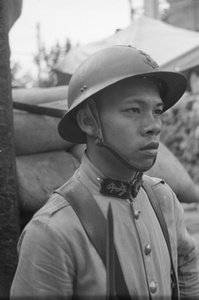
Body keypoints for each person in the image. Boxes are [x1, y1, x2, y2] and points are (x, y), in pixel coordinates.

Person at [10, 45, 199, 299]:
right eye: (134, 110)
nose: (154, 126)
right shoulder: (53, 232)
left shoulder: (163, 199)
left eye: (156, 111)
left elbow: (187, 262)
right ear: (88, 122)